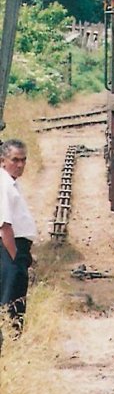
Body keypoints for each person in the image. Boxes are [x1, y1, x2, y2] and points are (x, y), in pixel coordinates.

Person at [0, 139, 37, 335]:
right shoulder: (3, 185)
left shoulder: (11, 183)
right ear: (2, 161)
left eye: (23, 160)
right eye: (15, 160)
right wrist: (15, 258)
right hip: (9, 249)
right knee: (10, 300)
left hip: (15, 249)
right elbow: (4, 225)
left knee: (15, 298)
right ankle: (10, 341)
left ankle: (12, 339)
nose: (20, 165)